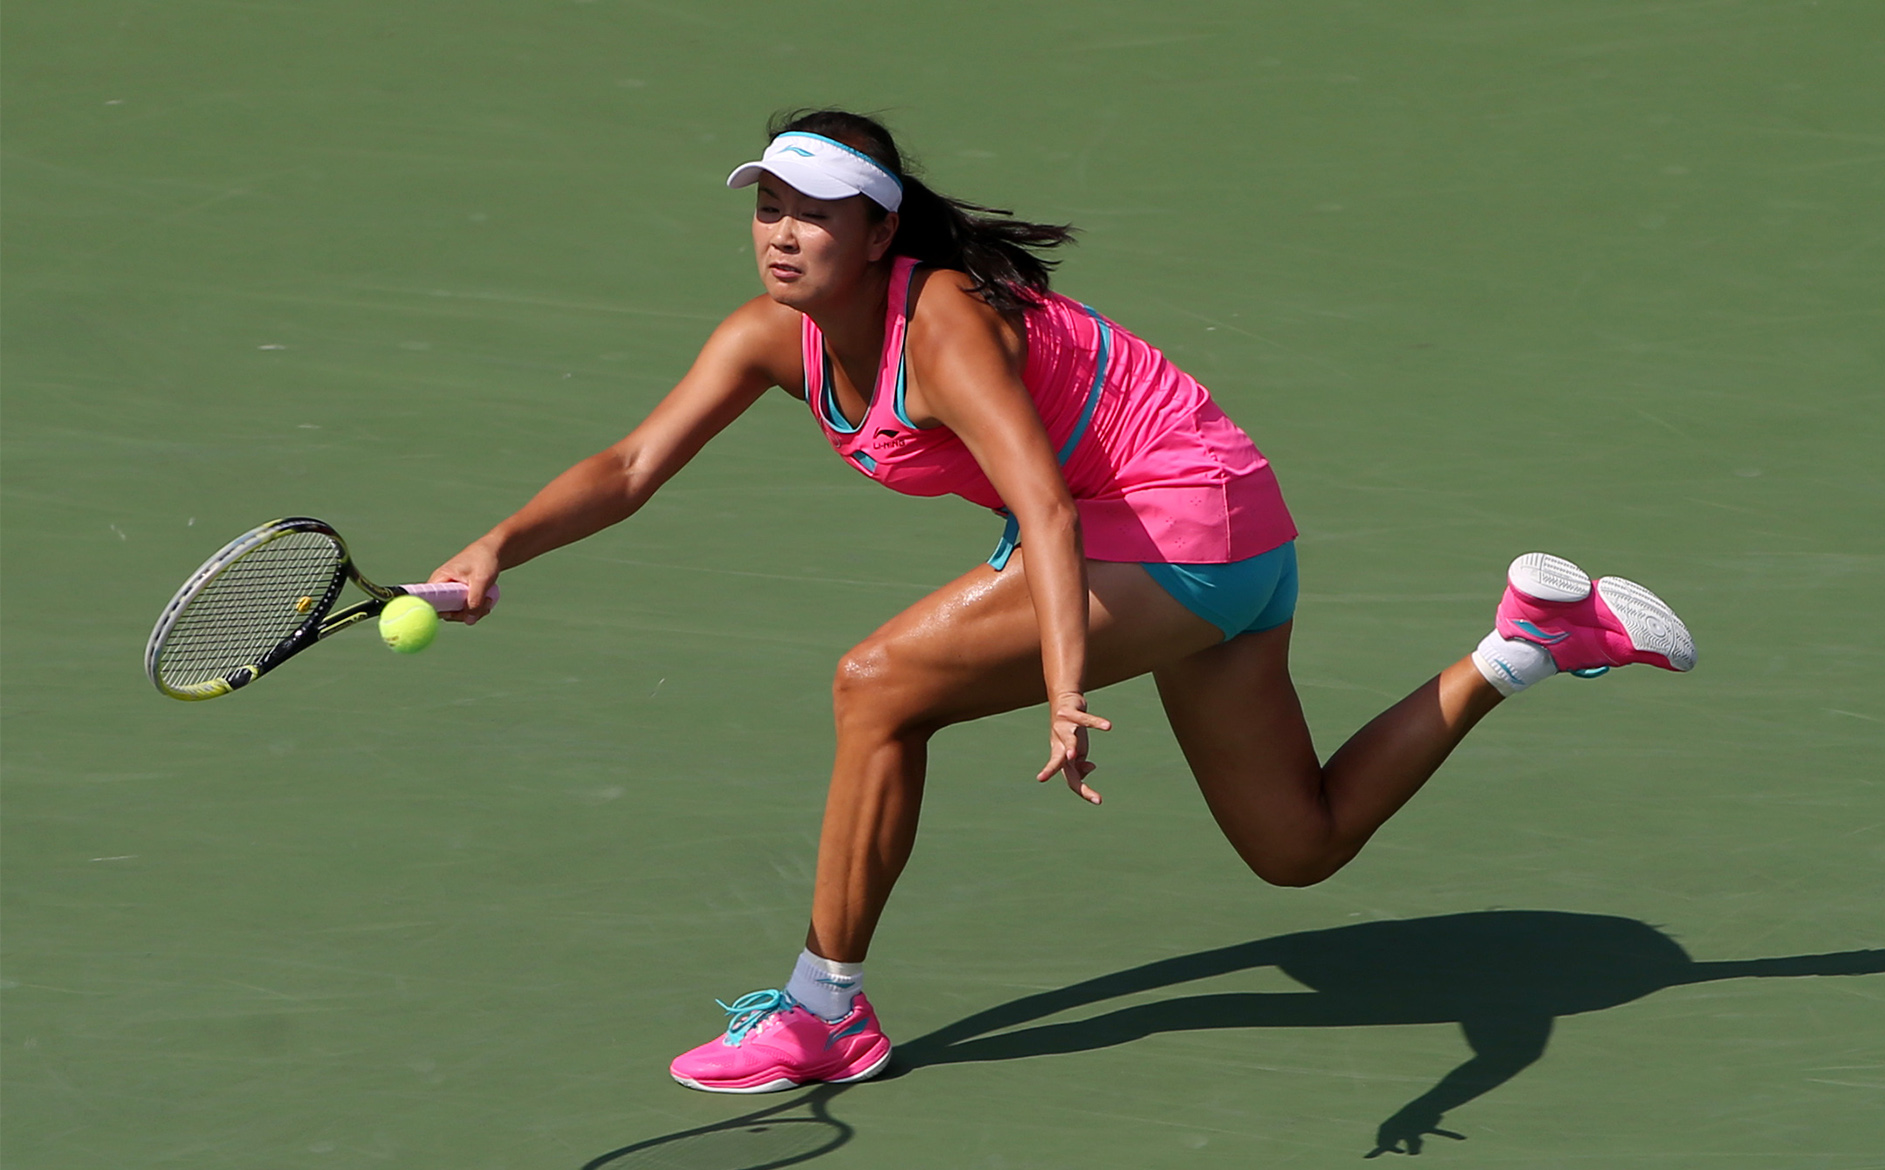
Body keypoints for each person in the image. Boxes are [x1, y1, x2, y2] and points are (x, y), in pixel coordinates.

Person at [427, 109, 1698, 1094]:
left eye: (813, 213)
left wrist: (1063, 681)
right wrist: (496, 547)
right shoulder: (770, 335)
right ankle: (1524, 646)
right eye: (766, 206)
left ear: (880, 234)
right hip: (1228, 528)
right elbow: (632, 466)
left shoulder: (942, 327)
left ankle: (824, 1012)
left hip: (1180, 530)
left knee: (876, 686)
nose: (780, 233)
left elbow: (1039, 505)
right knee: (1296, 849)